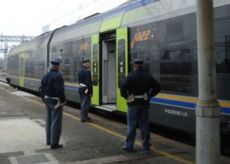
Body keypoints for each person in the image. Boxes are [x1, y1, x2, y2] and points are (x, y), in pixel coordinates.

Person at [120, 58, 161, 152]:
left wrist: (127, 97)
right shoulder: (148, 76)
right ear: (142, 65)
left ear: (134, 65)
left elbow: (123, 89)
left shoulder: (131, 76)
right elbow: (158, 87)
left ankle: (129, 146)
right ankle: (146, 145)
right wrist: (150, 95)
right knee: (145, 125)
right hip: (144, 103)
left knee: (132, 125)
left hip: (133, 104)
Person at [40, 59, 66, 149]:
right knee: (56, 122)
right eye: (59, 66)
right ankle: (54, 143)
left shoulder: (45, 76)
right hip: (56, 102)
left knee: (49, 121)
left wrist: (43, 98)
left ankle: (49, 141)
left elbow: (41, 89)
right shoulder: (58, 76)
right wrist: (63, 101)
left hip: (47, 100)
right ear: (57, 66)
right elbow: (60, 90)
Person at [78, 57, 93, 122]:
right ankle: (83, 117)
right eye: (87, 63)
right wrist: (89, 92)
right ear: (84, 64)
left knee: (83, 104)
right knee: (85, 104)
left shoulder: (80, 70)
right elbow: (88, 83)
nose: (88, 64)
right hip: (85, 90)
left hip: (81, 89)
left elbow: (80, 82)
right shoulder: (87, 71)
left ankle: (85, 116)